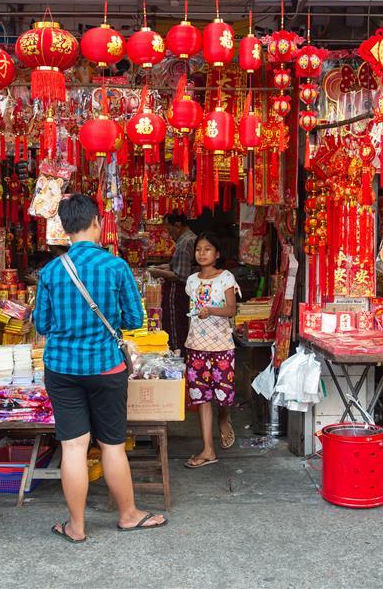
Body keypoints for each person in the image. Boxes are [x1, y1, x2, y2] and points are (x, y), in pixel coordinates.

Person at [34, 194, 167, 542]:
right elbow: (136, 320)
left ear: (64, 229)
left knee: (74, 447)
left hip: (62, 369)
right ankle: (128, 515)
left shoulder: (50, 271)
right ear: (96, 223)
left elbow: (43, 325)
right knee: (111, 445)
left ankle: (76, 526)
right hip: (106, 367)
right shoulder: (116, 267)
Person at [183, 232, 241, 469]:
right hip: (196, 346)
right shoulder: (191, 281)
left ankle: (224, 417)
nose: (202, 253)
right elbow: (191, 313)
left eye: (207, 249)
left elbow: (231, 309)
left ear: (217, 254)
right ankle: (208, 449)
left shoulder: (225, 277)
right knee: (201, 397)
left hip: (222, 346)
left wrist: (211, 311)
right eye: (199, 249)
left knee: (223, 394)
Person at [148, 212, 196, 352]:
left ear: (178, 225)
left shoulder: (185, 242)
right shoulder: (186, 240)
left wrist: (156, 272)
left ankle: (177, 355)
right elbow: (177, 265)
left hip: (179, 291)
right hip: (182, 291)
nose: (169, 234)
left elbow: (180, 275)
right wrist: (158, 267)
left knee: (176, 326)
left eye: (169, 229)